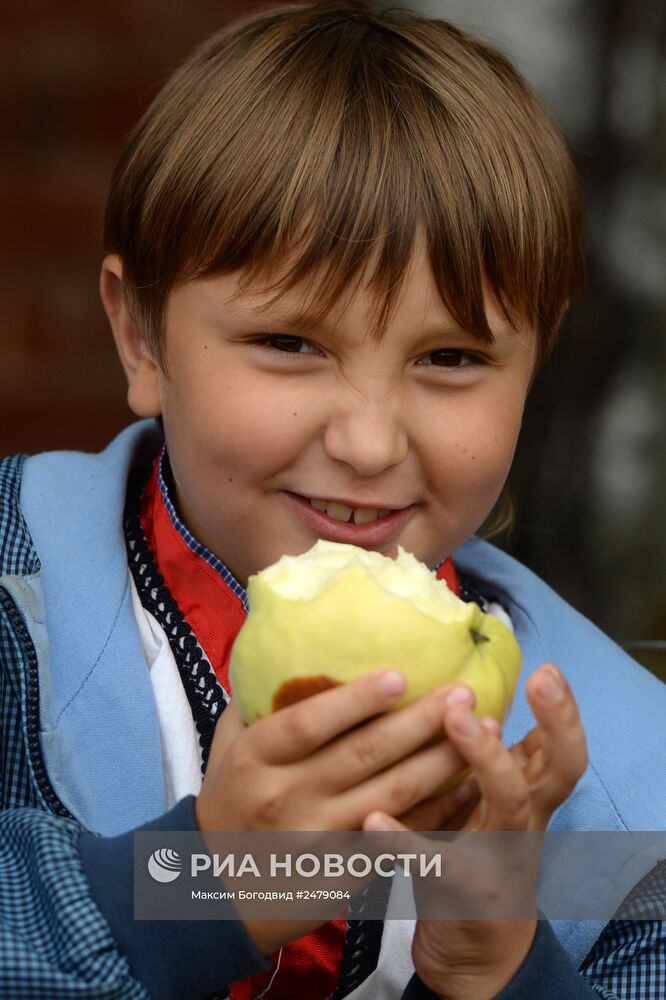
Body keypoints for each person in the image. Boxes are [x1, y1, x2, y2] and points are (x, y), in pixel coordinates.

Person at [1, 2, 663, 998]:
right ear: (140, 336)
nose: (367, 442)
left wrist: (503, 966)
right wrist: (205, 883)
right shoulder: (20, 605)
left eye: (452, 357)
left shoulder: (621, 770)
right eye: (290, 344)